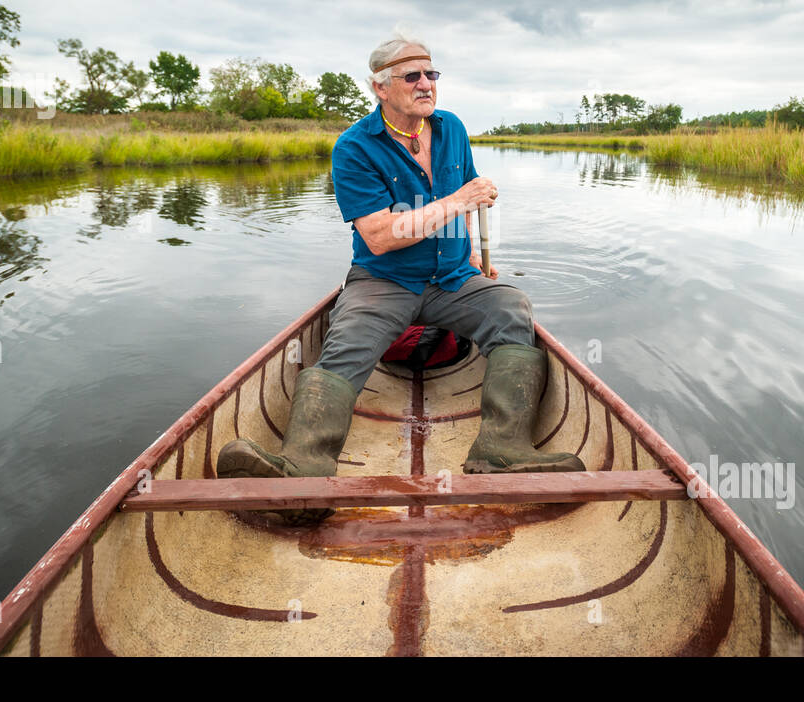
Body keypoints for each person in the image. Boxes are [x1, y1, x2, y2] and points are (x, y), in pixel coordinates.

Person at [216, 31, 585, 523]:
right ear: (380, 88)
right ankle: (303, 472)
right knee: (345, 344)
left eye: (432, 74)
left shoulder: (451, 128)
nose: (426, 84)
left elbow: (467, 200)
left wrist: (475, 258)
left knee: (511, 306)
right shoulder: (354, 148)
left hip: (453, 277)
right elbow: (381, 237)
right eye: (412, 76)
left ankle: (501, 449)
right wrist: (458, 202)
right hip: (384, 281)